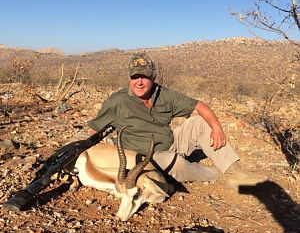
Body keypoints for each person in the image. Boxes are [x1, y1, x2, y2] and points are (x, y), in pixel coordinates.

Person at [87, 52, 268, 188]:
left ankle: (232, 170)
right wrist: (82, 152)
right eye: (135, 77)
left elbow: (199, 106)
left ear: (153, 77)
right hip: (145, 156)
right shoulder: (116, 101)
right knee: (177, 164)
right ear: (129, 78)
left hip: (172, 142)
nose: (139, 82)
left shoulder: (163, 94)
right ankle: (216, 175)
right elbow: (95, 130)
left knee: (200, 122)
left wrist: (217, 128)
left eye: (144, 76)